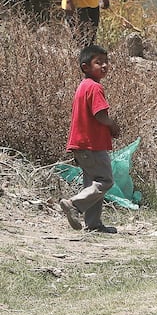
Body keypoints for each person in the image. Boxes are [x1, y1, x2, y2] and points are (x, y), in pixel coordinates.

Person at [59, 44, 121, 234]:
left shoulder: (83, 86)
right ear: (85, 67)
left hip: (81, 145)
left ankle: (93, 224)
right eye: (98, 62)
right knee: (105, 181)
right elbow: (100, 115)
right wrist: (113, 125)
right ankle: (74, 204)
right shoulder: (95, 88)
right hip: (92, 145)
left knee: (93, 184)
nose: (104, 66)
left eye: (106, 62)